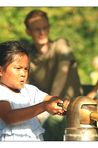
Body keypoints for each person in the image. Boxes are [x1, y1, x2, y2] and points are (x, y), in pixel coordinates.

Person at [24, 9, 83, 140]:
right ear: (28, 32)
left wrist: (45, 110)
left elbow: (61, 75)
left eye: (45, 28)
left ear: (49, 28)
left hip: (70, 109)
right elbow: (25, 88)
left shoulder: (61, 45)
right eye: (37, 29)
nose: (42, 32)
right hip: (45, 110)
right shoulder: (28, 56)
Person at [0, 40, 65, 141]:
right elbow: (9, 117)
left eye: (26, 69)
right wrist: (44, 106)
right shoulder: (2, 92)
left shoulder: (30, 90)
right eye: (18, 68)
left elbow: (50, 99)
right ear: (0, 71)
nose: (23, 73)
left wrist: (61, 103)